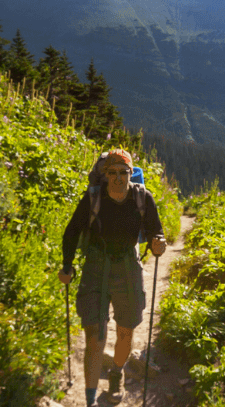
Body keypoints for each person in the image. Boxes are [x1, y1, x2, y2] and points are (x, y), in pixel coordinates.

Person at [59, 149, 166, 405]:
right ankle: (90, 400)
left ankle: (117, 373)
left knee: (125, 333)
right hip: (96, 266)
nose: (118, 178)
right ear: (105, 175)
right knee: (95, 337)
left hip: (128, 265)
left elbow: (156, 233)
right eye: (112, 173)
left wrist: (158, 245)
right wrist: (67, 266)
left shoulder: (143, 198)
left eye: (123, 172)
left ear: (131, 174)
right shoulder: (92, 198)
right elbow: (72, 232)